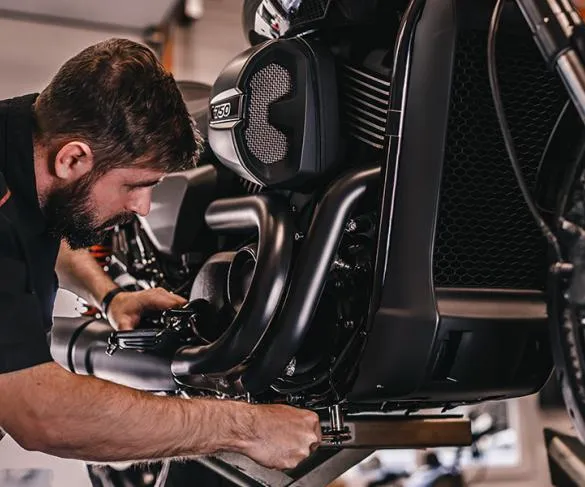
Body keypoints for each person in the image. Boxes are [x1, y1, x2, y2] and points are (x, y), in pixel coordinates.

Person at [0, 38, 321, 469]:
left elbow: (38, 224)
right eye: (135, 185)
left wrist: (110, 297)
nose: (142, 208)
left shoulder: (30, 134)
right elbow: (40, 414)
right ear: (73, 158)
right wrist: (247, 428)